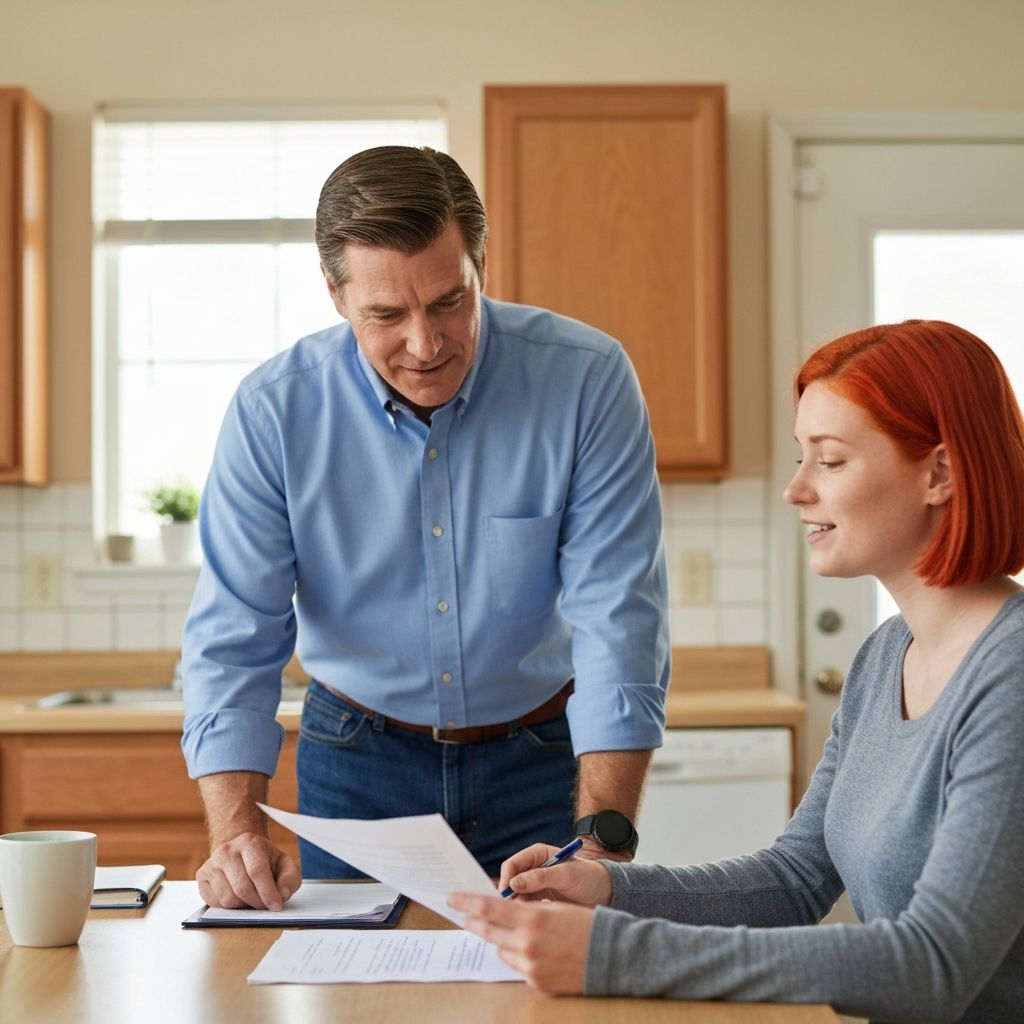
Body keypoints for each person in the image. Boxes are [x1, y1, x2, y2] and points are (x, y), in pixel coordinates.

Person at [451, 320, 1024, 1023]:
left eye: (831, 460)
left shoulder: (1010, 676)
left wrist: (617, 954)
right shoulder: (885, 656)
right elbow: (793, 879)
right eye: (801, 457)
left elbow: (933, 966)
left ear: (940, 473)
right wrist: (606, 889)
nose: (796, 489)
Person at [180, 145, 670, 912]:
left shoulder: (585, 380)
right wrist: (236, 833)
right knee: (351, 976)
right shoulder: (274, 411)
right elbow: (236, 637)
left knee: (551, 975)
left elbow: (618, 618)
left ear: (481, 265)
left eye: (449, 301)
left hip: (540, 758)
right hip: (356, 763)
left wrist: (605, 838)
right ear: (336, 295)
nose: (425, 343)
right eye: (386, 315)